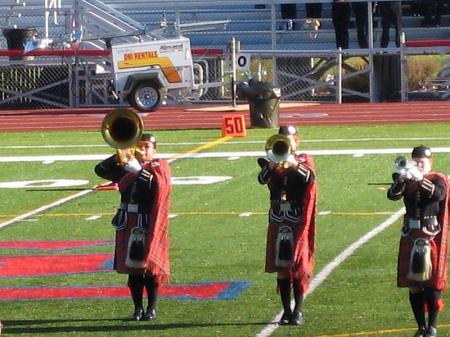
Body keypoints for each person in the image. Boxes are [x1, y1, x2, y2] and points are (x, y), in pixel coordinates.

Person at [95, 133, 172, 321]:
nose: (142, 150)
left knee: (149, 268)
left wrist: (139, 171)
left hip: (147, 221)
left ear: (155, 150)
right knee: (133, 269)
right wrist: (119, 155)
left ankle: (151, 309)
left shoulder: (159, 167)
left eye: (146, 146)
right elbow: (100, 170)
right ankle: (137, 309)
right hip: (127, 219)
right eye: (139, 146)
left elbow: (159, 189)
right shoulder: (126, 166)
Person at [257, 125, 318, 326]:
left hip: (297, 219)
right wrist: (272, 165)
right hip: (278, 216)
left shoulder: (304, 159)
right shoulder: (271, 159)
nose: (286, 141)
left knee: (298, 266)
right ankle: (286, 311)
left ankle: (298, 311)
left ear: (296, 141)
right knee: (282, 267)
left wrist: (292, 164)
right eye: (283, 138)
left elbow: (309, 179)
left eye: (289, 138)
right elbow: (261, 179)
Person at [387, 145, 448, 337]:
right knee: (414, 285)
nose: (420, 163)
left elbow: (438, 195)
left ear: (430, 162)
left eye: (423, 161)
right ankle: (421, 326)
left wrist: (420, 178)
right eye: (417, 160)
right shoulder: (408, 179)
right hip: (411, 234)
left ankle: (433, 326)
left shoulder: (438, 179)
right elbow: (392, 195)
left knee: (431, 283)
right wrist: (403, 178)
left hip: (430, 234)